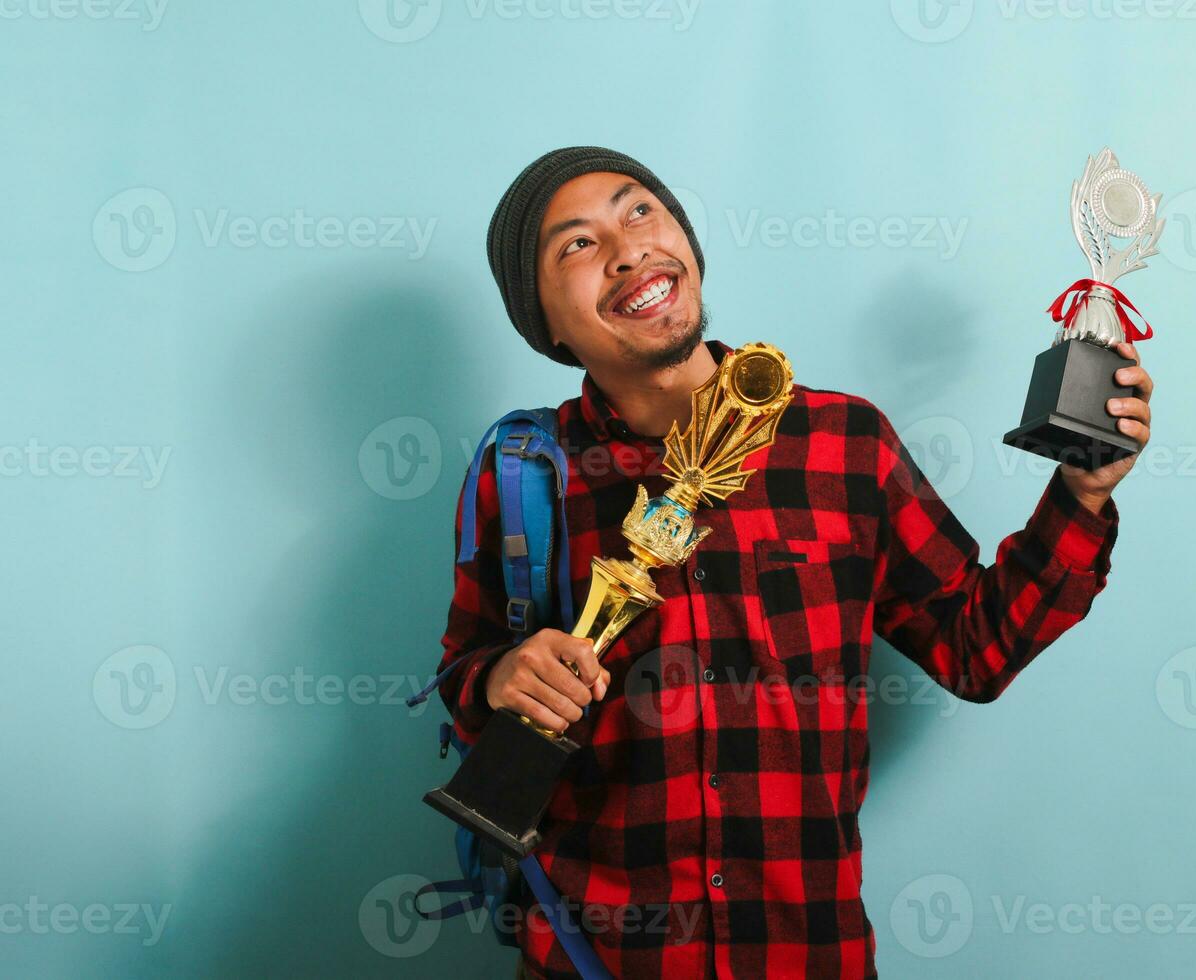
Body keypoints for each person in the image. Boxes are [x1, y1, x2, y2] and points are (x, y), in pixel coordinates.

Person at [437, 146, 1155, 979]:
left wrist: (1082, 494)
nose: (628, 249)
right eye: (578, 245)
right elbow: (465, 679)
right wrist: (495, 682)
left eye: (639, 212)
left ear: (686, 243)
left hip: (805, 955)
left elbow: (977, 647)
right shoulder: (525, 470)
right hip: (593, 957)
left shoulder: (845, 444)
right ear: (547, 324)